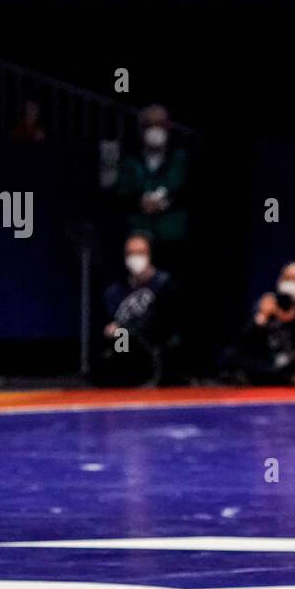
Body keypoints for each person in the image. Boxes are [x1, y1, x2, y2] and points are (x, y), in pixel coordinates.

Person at [93, 233, 182, 387]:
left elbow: (163, 324)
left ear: (150, 255)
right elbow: (110, 322)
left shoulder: (164, 285)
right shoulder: (115, 290)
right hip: (125, 347)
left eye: (140, 253)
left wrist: (128, 330)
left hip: (154, 346)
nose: (135, 258)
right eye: (130, 253)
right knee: (113, 351)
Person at [221, 262, 295, 386]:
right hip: (268, 361)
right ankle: (286, 379)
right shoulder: (267, 302)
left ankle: (278, 378)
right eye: (289, 278)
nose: (292, 284)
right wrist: (262, 317)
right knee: (231, 356)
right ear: (280, 280)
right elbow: (244, 341)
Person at [115, 104, 189, 274]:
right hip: (138, 237)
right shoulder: (130, 161)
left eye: (160, 125)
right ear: (142, 130)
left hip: (172, 238)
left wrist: (166, 202)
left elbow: (189, 192)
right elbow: (120, 195)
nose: (155, 130)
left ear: (168, 127)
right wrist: (140, 202)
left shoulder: (180, 159)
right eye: (150, 125)